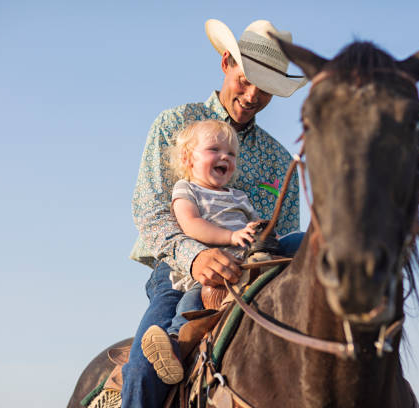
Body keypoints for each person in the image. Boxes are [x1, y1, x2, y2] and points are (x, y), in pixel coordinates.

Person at [122, 18, 307, 408]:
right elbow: (151, 212)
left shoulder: (279, 160)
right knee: (143, 370)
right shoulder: (174, 125)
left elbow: (286, 234)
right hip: (179, 276)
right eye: (246, 79)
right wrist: (197, 257)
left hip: (255, 277)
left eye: (267, 89)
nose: (253, 95)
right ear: (226, 63)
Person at [140, 119, 262, 385]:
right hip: (204, 270)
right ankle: (173, 345)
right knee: (193, 303)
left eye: (231, 154)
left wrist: (261, 233)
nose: (224, 157)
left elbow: (260, 227)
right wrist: (231, 236)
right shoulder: (187, 190)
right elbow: (191, 225)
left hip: (245, 269)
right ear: (187, 158)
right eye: (214, 150)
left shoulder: (239, 197)